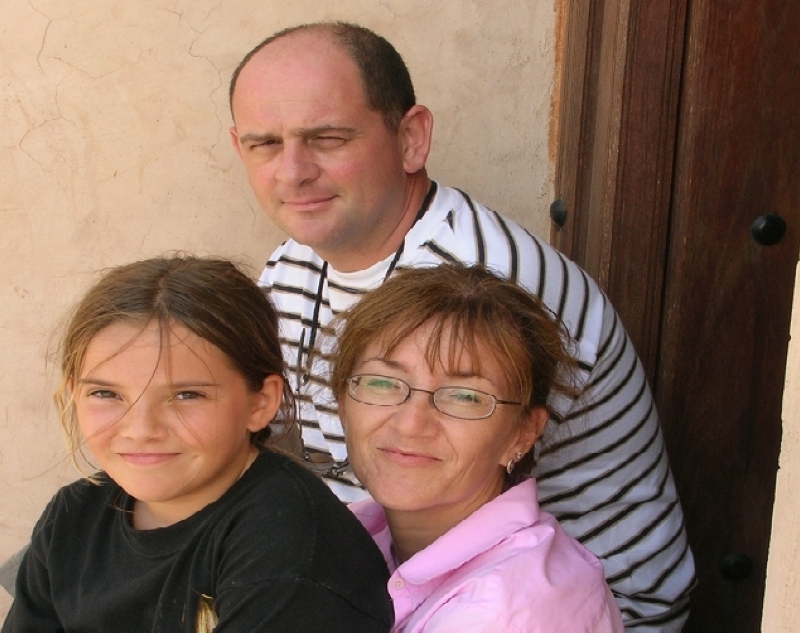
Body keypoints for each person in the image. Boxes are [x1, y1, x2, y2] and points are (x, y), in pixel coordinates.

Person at [229, 22, 695, 630]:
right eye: (266, 144)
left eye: (327, 137)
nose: (292, 171)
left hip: (570, 609)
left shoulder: (482, 285)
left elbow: (407, 475)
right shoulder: (296, 258)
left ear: (411, 139)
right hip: (406, 575)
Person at [1, 256, 394, 632]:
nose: (141, 428)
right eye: (106, 394)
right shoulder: (74, 519)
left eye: (186, 395)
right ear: (73, 393)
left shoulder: (291, 550)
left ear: (261, 402)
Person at [332, 263, 625, 632]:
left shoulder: (504, 614)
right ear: (342, 404)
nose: (410, 423)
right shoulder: (346, 531)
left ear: (523, 432)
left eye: (465, 396)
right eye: (382, 383)